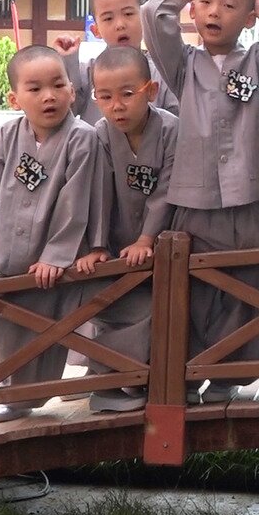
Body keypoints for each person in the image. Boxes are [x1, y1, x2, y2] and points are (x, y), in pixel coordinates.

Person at [143, 0, 259, 404]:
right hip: (193, 202)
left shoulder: (257, 63)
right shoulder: (183, 65)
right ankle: (187, 373)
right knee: (190, 291)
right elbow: (153, 17)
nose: (215, 11)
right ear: (194, 12)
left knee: (246, 286)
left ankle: (225, 374)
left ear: (248, 18)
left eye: (230, 5)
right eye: (207, 3)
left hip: (247, 198)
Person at [0, 45, 105, 422]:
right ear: (15, 98)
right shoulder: (5, 138)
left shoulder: (82, 138)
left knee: (53, 330)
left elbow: (76, 204)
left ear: (72, 91)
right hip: (12, 259)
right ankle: (18, 395)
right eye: (35, 88)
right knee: (4, 329)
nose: (49, 96)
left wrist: (56, 255)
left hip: (53, 267)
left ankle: (32, 395)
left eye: (58, 85)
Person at [73, 45, 179, 413]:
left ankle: (138, 386)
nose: (116, 106)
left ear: (150, 91)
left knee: (151, 311)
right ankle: (106, 382)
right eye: (104, 96)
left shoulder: (170, 129)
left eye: (127, 94)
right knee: (110, 308)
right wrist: (97, 244)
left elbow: (166, 189)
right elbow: (97, 190)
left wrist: (147, 238)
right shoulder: (100, 134)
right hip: (116, 241)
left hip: (158, 242)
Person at [56, 0, 179, 124]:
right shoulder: (89, 71)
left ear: (144, 19)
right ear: (96, 30)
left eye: (128, 14)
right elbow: (67, 110)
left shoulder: (162, 72)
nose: (120, 25)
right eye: (108, 18)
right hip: (97, 147)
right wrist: (69, 60)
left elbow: (177, 122)